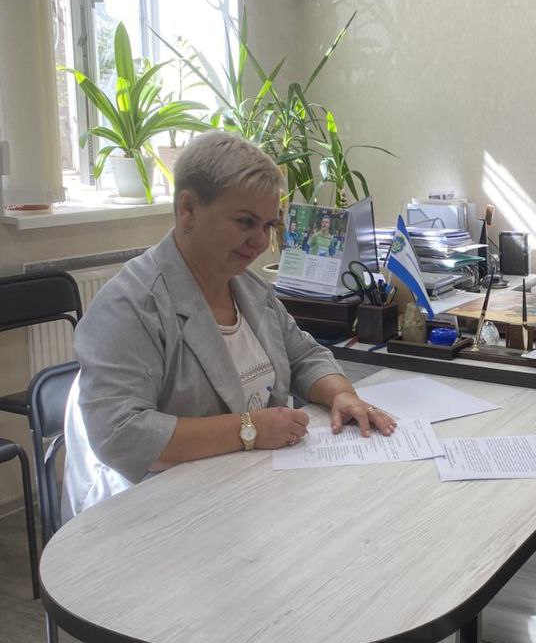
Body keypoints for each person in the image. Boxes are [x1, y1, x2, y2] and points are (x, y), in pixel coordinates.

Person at [63, 131, 396, 518]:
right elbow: (121, 434)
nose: (260, 242)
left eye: (268, 225)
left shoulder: (249, 290)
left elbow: (305, 355)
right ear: (188, 210)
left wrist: (342, 395)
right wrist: (247, 430)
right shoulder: (130, 305)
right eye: (245, 222)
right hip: (166, 514)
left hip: (252, 496)